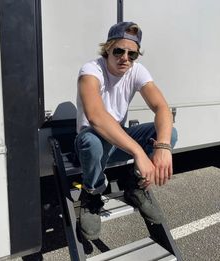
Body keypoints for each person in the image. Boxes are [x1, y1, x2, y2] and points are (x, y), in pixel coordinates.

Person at [75, 21, 177, 240]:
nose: (125, 58)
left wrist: (163, 146)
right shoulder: (91, 70)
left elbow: (162, 108)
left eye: (132, 54)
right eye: (119, 51)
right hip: (94, 141)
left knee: (168, 133)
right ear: (107, 49)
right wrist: (139, 153)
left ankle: (135, 187)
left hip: (117, 141)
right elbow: (96, 117)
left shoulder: (136, 71)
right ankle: (91, 195)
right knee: (91, 141)